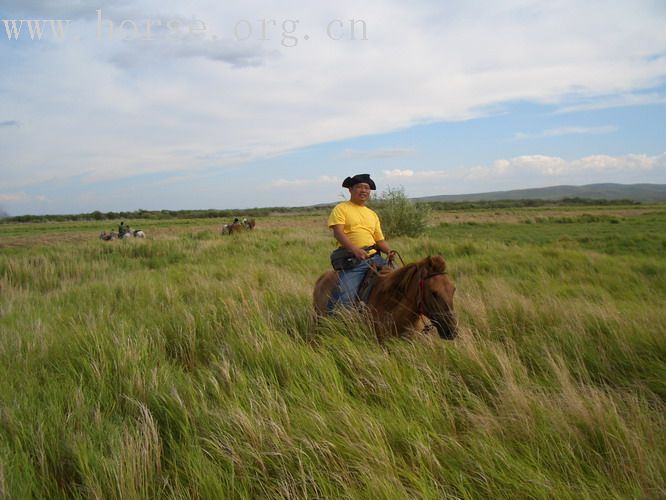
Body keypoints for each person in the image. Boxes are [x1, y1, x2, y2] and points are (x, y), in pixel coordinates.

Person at [328, 173, 394, 308]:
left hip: (376, 259)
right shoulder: (341, 208)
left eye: (367, 188)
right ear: (350, 190)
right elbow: (338, 233)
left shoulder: (372, 214)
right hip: (354, 261)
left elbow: (379, 240)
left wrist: (389, 251)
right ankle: (332, 321)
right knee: (346, 299)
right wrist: (355, 250)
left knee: (403, 285)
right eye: (359, 187)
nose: (363, 190)